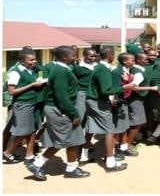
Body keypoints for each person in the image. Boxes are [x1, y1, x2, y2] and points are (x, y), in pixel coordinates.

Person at [25, 47, 88, 181]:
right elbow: (62, 96)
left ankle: (71, 167)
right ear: (64, 57)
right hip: (60, 110)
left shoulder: (63, 69)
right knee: (64, 140)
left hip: (60, 109)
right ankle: (37, 164)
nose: (75, 58)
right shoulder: (60, 72)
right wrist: (74, 114)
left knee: (72, 139)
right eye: (73, 56)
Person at [85, 47, 128, 172]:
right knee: (110, 130)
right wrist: (125, 87)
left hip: (92, 100)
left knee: (91, 127)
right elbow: (106, 90)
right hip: (98, 102)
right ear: (110, 55)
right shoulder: (103, 69)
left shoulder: (98, 67)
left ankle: (84, 156)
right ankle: (110, 162)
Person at [3, 49, 46, 165]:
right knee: (22, 132)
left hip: (32, 104)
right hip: (23, 105)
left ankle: (29, 155)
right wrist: (32, 84)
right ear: (22, 60)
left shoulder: (30, 70)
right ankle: (7, 153)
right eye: (31, 60)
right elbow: (11, 91)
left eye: (35, 59)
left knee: (32, 131)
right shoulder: (15, 72)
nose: (34, 62)